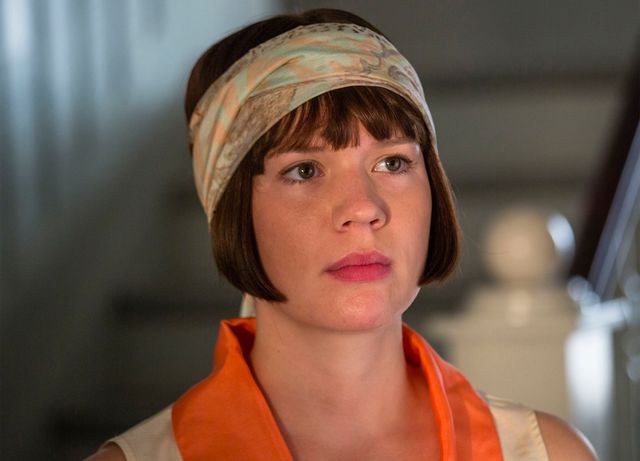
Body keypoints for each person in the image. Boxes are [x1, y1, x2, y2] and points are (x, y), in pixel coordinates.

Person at [87, 8, 597, 461]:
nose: (363, 208)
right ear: (233, 210)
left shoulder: (547, 454)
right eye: (304, 170)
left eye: (392, 162)